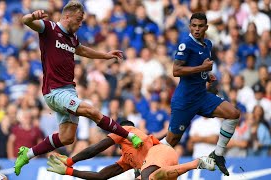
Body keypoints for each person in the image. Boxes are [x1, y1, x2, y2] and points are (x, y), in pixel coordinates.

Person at [15, 0, 143, 175]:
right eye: (79, 19)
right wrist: (31, 16)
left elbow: (82, 50)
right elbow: (26, 21)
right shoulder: (49, 28)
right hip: (55, 91)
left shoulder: (72, 38)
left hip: (69, 90)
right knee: (92, 111)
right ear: (67, 16)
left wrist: (105, 56)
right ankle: (129, 136)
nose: (81, 23)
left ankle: (27, 153)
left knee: (67, 138)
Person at [161, 12, 240, 176]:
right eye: (194, 26)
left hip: (202, 96)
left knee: (233, 114)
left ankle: (217, 155)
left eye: (200, 26)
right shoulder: (185, 44)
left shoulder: (208, 44)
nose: (197, 29)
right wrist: (202, 69)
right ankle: (145, 163)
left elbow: (198, 67)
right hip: (185, 100)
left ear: (206, 27)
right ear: (190, 26)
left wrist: (206, 76)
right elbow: (176, 71)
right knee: (171, 141)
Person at [46, 120, 216, 180]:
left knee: (147, 176)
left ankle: (196, 163)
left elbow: (95, 149)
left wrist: (70, 160)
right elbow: (101, 176)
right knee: (147, 177)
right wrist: (69, 171)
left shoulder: (128, 131)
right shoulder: (126, 159)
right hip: (164, 166)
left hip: (161, 153)